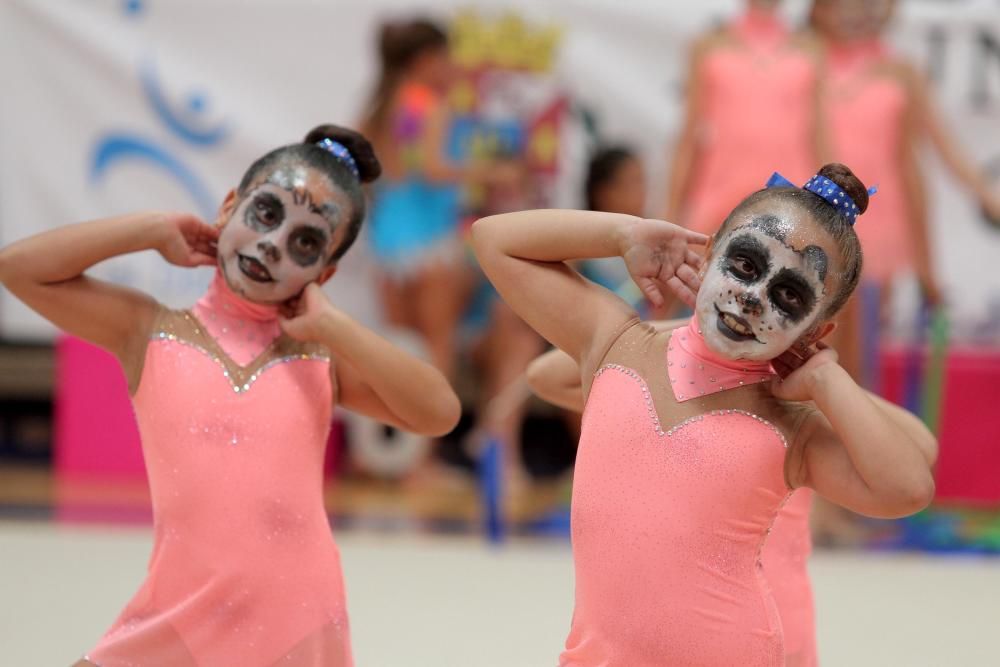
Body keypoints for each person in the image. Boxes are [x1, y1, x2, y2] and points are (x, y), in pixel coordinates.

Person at [0, 124, 461, 666]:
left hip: (294, 627)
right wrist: (150, 228)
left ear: (325, 272)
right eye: (266, 213)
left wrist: (334, 327)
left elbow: (440, 412)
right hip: (176, 619)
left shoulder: (318, 360)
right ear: (229, 207)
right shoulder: (147, 331)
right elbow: (19, 269)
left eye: (305, 242)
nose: (272, 244)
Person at [472, 162, 936, 665]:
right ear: (711, 251)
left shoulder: (790, 424)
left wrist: (825, 379)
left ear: (815, 331)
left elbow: (907, 485)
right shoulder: (616, 343)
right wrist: (623, 232)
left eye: (789, 296)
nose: (754, 298)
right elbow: (494, 239)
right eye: (745, 265)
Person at [812, 0, 1000, 377]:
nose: (856, 14)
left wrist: (985, 193)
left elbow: (943, 146)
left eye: (868, 5)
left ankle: (852, 426)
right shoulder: (805, 62)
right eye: (842, 6)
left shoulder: (901, 72)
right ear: (821, 9)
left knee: (861, 344)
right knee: (816, 335)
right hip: (818, 211)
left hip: (880, 217)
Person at [361, 18, 507, 380]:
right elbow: (433, 168)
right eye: (447, 58)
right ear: (425, 60)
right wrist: (491, 172)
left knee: (400, 352)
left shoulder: (380, 108)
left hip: (389, 247)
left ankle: (405, 434)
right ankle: (430, 437)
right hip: (432, 245)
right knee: (438, 346)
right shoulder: (431, 105)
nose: (453, 67)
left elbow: (372, 173)